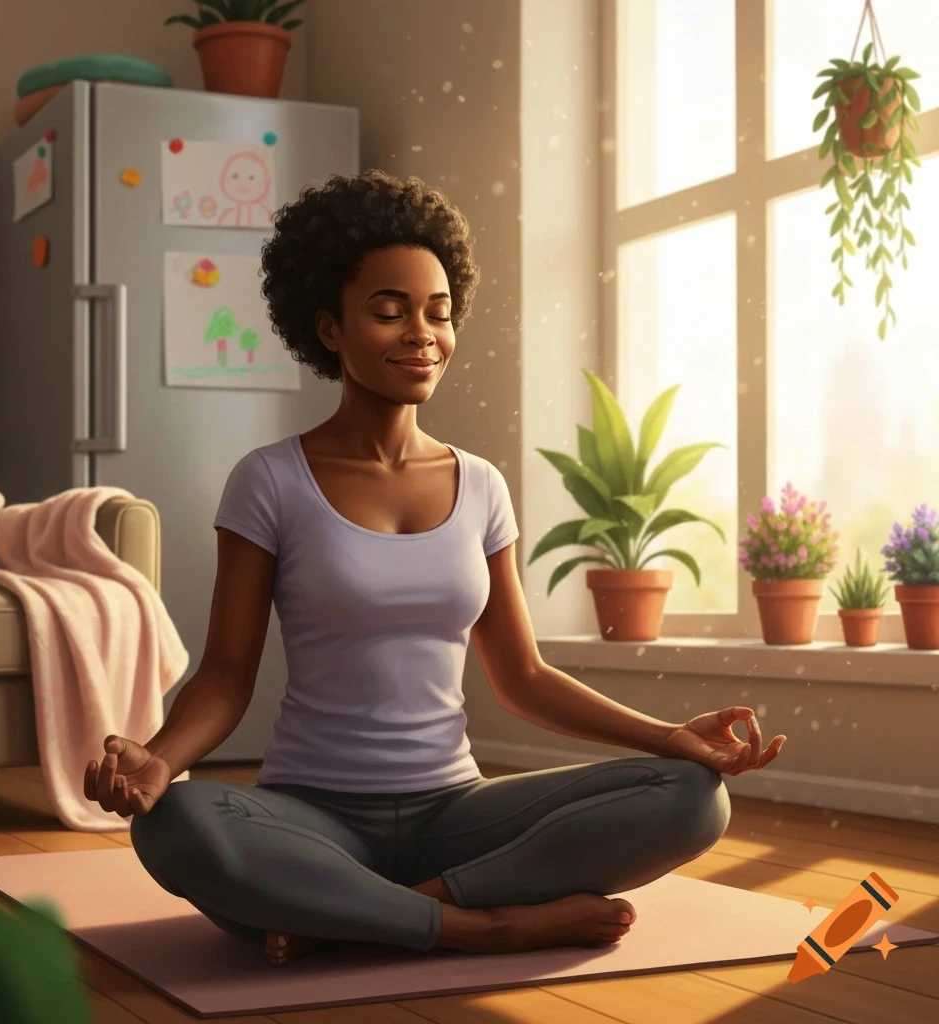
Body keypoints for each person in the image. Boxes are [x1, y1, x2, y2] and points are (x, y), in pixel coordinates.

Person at [83, 170, 786, 969]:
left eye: (438, 313)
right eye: (389, 312)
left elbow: (521, 676)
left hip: (456, 812)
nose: (422, 334)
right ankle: (482, 924)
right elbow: (226, 675)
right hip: (310, 816)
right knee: (177, 824)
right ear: (329, 328)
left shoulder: (481, 484)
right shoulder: (269, 480)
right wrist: (159, 760)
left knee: (693, 799)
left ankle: (373, 915)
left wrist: (669, 737)